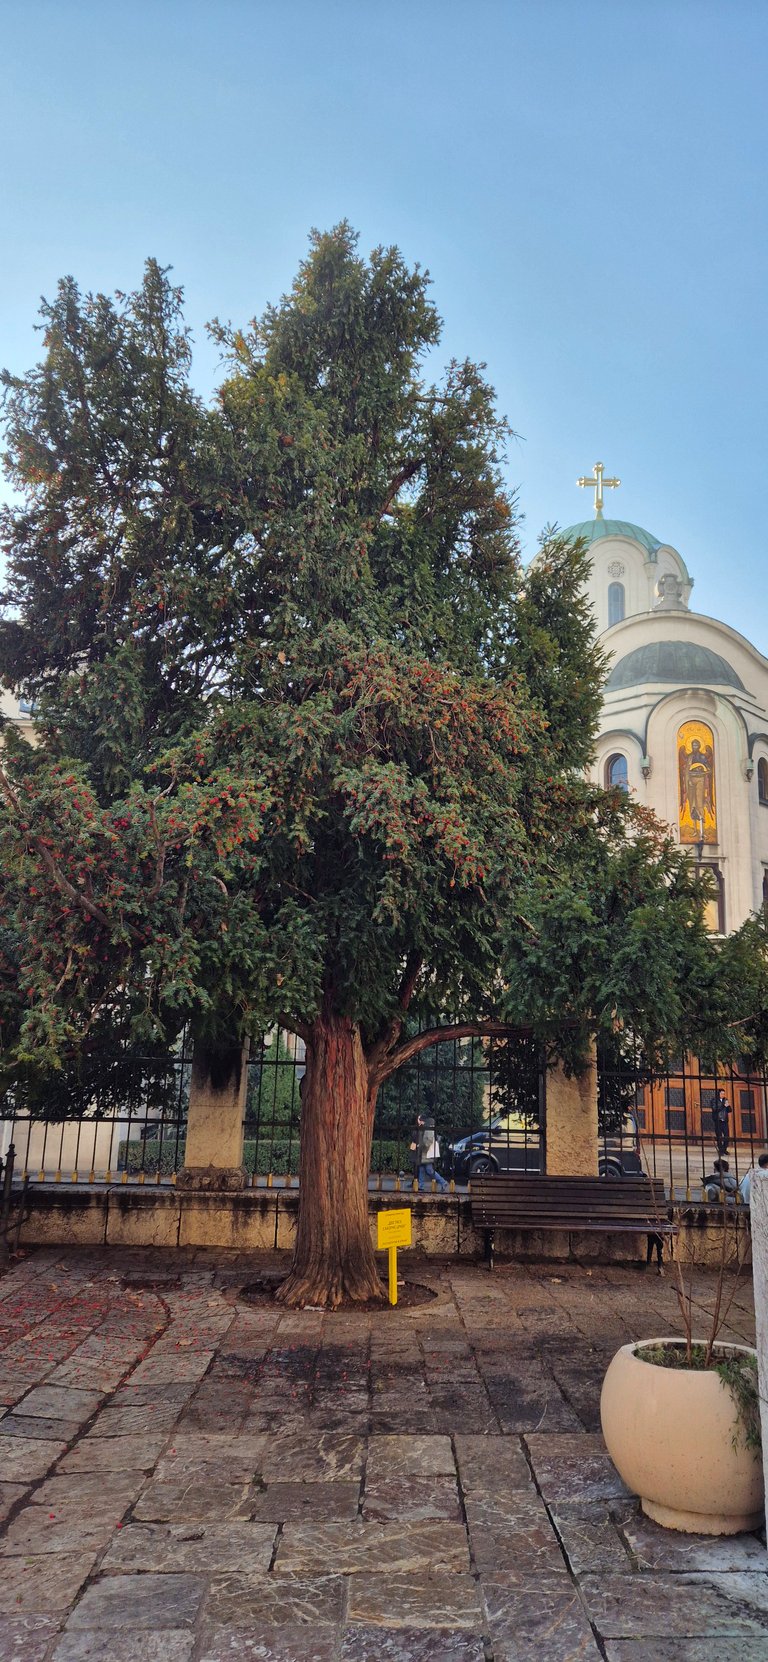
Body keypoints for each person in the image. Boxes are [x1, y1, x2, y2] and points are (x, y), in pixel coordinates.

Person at [411, 1113, 448, 1192]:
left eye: (419, 1119)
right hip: (423, 1153)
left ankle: (443, 1182)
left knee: (429, 1170)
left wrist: (420, 1146)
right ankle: (421, 1186)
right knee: (421, 1168)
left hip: (426, 1153)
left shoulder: (428, 1127)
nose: (418, 1120)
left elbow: (428, 1141)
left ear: (422, 1120)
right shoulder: (424, 1127)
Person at [711, 1088, 731, 1158]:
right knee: (719, 1136)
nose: (723, 1095)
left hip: (725, 1121)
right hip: (718, 1121)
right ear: (718, 1093)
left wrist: (728, 1106)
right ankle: (721, 1150)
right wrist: (723, 1105)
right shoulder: (714, 1100)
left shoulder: (725, 1100)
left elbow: (729, 1110)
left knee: (727, 1136)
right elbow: (715, 1109)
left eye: (724, 1093)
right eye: (722, 1093)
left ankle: (724, 1149)